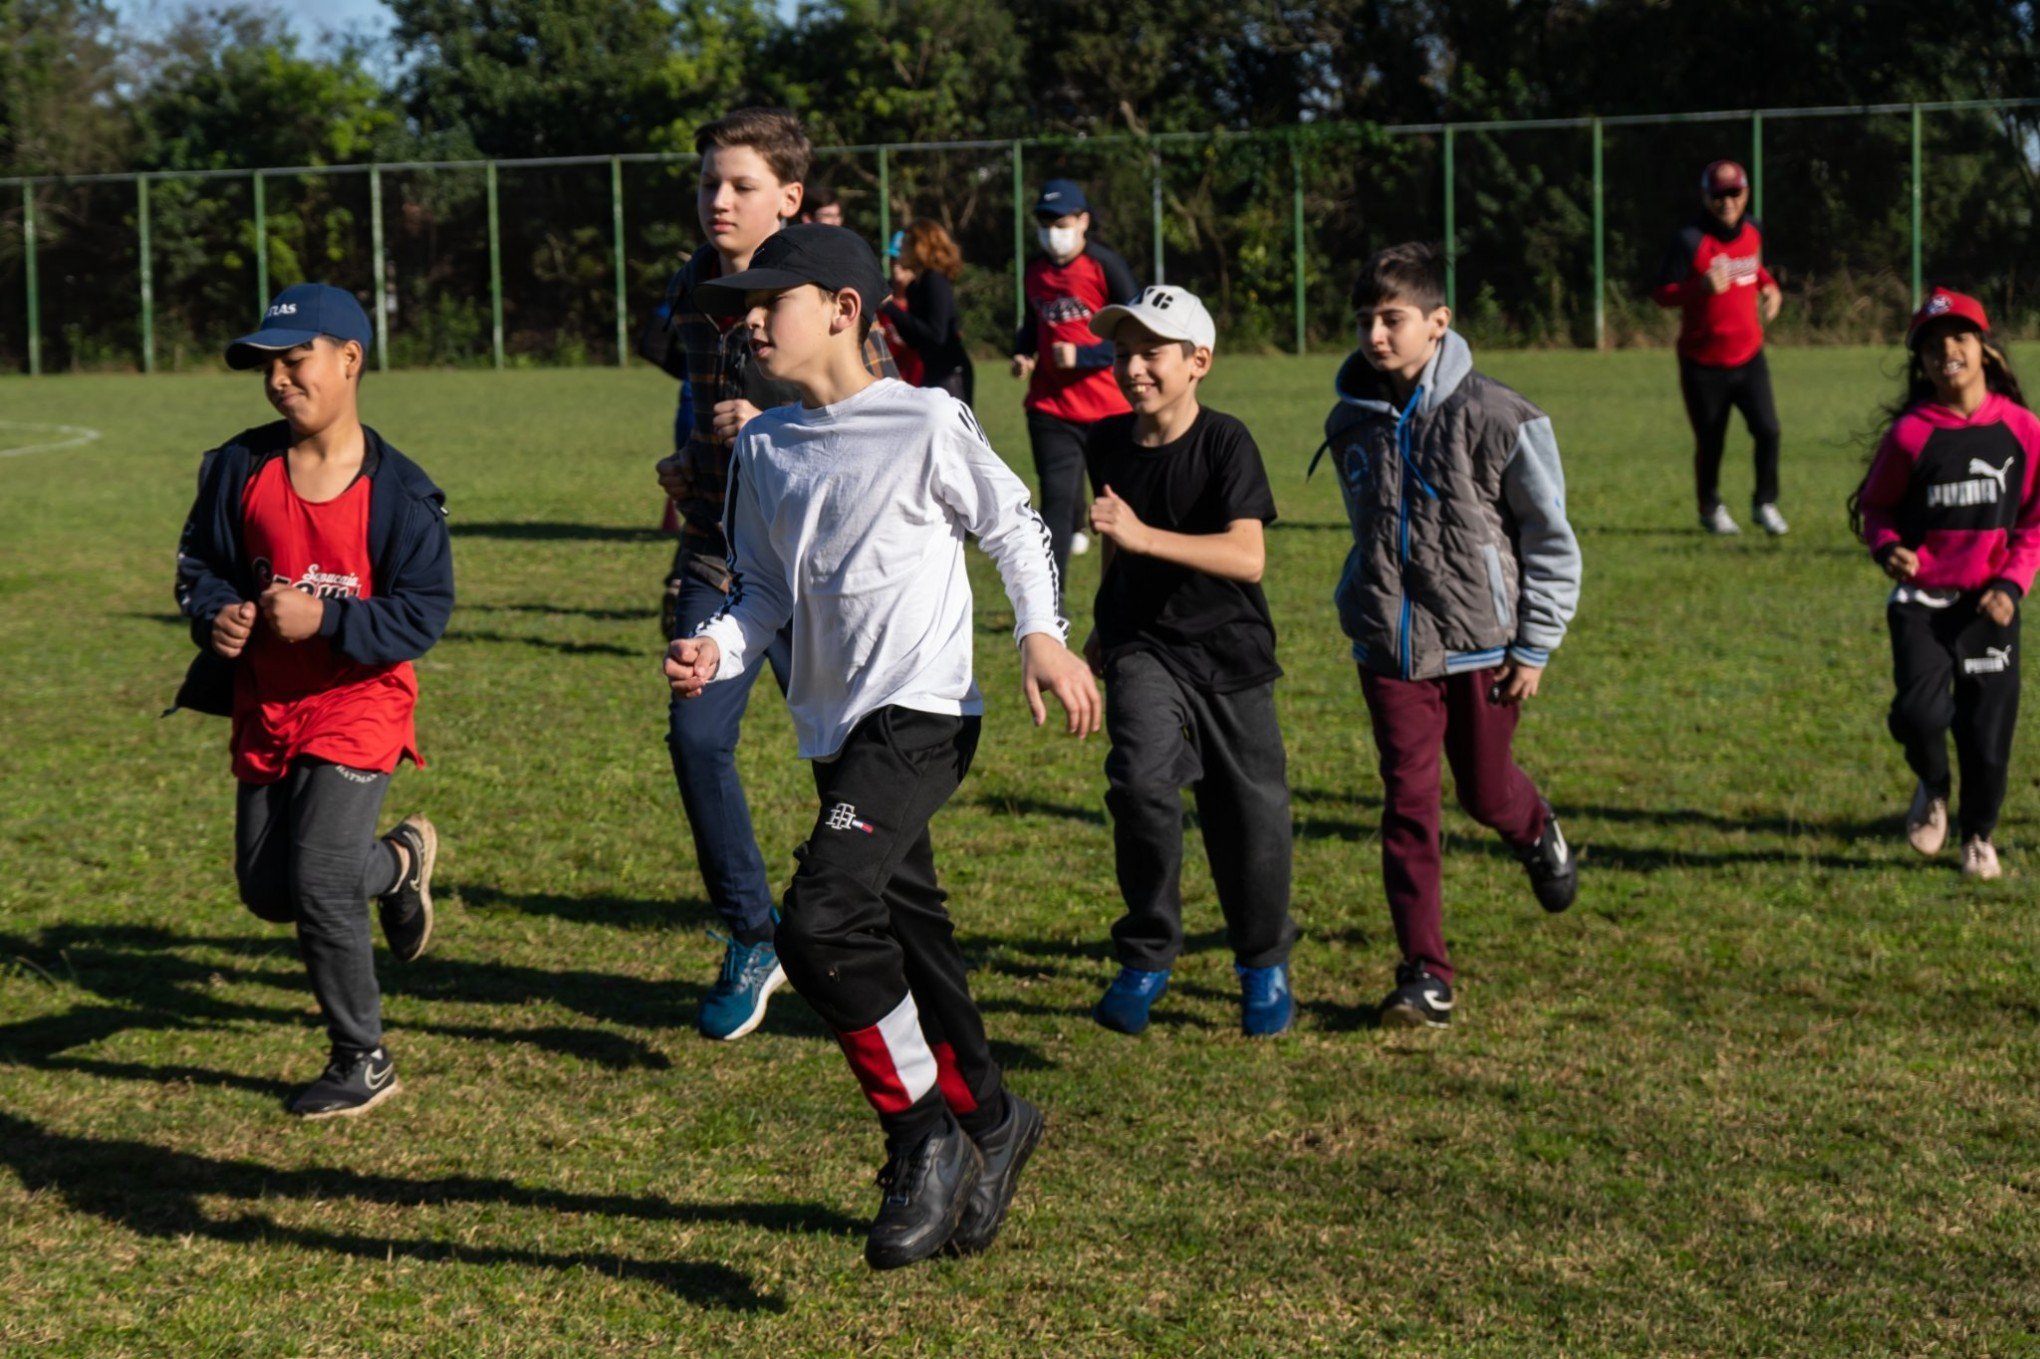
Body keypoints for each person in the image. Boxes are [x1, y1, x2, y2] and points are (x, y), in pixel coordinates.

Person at [664, 225, 1099, 1270]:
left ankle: (923, 1142)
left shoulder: (923, 421)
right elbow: (762, 591)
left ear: (846, 311)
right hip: (835, 730)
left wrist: (1042, 632)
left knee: (818, 925)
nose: (754, 320)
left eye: (775, 300)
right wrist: (716, 650)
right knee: (910, 940)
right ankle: (994, 1121)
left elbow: (1015, 525)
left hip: (924, 714)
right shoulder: (765, 447)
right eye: (747, 304)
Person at [642, 107, 897, 1042]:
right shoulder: (695, 284)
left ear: (789, 197)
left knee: (851, 761)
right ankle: (754, 933)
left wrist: (774, 421)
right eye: (709, 181)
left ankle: (873, 930)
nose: (719, 199)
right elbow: (702, 407)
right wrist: (690, 466)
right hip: (720, 551)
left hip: (821, 570)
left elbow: (883, 422)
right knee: (696, 735)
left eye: (741, 184)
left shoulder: (828, 286)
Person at [170, 282, 454, 1117]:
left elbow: (423, 612)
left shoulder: (401, 493)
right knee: (268, 890)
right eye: (269, 366)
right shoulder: (238, 467)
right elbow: (200, 566)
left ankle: (361, 1057)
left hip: (359, 701)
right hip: (268, 703)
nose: (279, 379)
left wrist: (325, 616)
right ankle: (399, 863)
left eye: (296, 361)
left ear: (350, 360)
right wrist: (214, 614)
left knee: (322, 877)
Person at [1319, 243, 1581, 1029]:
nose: (1375, 334)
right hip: (1390, 650)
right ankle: (1425, 973)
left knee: (1485, 790)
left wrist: (1535, 644)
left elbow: (1550, 539)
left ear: (1439, 323)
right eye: (1365, 319)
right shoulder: (1347, 420)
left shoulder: (1502, 415)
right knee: (1409, 802)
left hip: (1484, 647)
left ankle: (1536, 830)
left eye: (1391, 319)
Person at [1078, 285, 1298, 1038]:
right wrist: (1106, 618)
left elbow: (1248, 556)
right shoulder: (1103, 442)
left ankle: (1262, 962)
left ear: (1198, 361)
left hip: (1231, 654)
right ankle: (1146, 954)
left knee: (1251, 820)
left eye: (1152, 352)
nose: (1134, 367)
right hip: (1143, 646)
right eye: (1123, 351)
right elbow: (1113, 530)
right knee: (1139, 783)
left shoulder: (1226, 441)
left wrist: (1144, 538)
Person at [1848, 288, 2040, 881]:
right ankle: (1933, 785)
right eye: (1932, 345)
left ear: (1984, 348)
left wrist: (2011, 585)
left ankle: (1978, 836)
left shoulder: (2024, 431)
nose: (1946, 351)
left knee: (1987, 738)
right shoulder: (1910, 434)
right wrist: (1888, 549)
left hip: (1991, 608)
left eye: (1958, 338)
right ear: (1922, 362)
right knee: (1919, 715)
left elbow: (2035, 522)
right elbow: (1875, 507)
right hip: (1922, 605)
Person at [1011, 178, 1138, 592]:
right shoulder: (1035, 270)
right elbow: (1033, 324)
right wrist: (1024, 352)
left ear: (1084, 221)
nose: (1052, 231)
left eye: (1061, 221)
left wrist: (1084, 356)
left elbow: (1137, 332)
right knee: (1057, 507)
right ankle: (1052, 600)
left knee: (1121, 506)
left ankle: (1132, 594)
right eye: (1044, 222)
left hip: (1110, 409)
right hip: (1052, 408)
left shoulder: (1106, 266)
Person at [1652, 158, 1788, 536]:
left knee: (1769, 430)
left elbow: (1753, 267)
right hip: (1702, 363)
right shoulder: (1690, 240)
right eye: (1718, 195)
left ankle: (1765, 502)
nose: (1727, 202)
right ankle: (1709, 507)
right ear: (1706, 196)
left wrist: (1769, 286)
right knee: (1711, 440)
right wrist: (1698, 288)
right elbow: (1661, 293)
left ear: (1745, 193)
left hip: (1749, 356)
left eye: (1734, 193)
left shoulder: (1754, 230)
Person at [883, 220, 975, 403]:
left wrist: (890, 308)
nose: (901, 249)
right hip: (932, 372)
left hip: (950, 374)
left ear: (920, 247)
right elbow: (915, 340)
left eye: (907, 243)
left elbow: (936, 335)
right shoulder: (915, 286)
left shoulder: (934, 281)